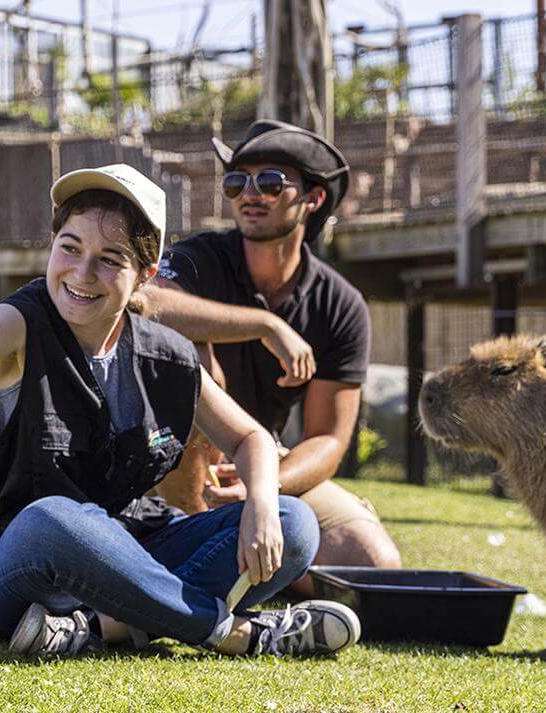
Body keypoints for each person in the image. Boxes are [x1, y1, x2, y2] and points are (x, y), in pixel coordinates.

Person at [0, 164, 360, 659]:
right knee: (56, 518)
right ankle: (228, 631)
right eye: (70, 247)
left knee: (295, 525)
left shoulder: (166, 354)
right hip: (14, 569)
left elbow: (250, 438)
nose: (82, 273)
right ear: (52, 247)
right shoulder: (21, 324)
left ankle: (104, 626)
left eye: (110, 259)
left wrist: (262, 504)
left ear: (146, 274)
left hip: (124, 553)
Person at [140, 119, 403, 593]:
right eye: (236, 182)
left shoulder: (339, 304)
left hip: (263, 468)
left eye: (270, 181)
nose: (249, 194)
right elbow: (147, 303)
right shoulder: (201, 257)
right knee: (189, 350)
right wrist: (265, 325)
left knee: (373, 568)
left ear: (313, 198)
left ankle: (231, 556)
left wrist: (262, 488)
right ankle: (196, 542)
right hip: (172, 458)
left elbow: (326, 438)